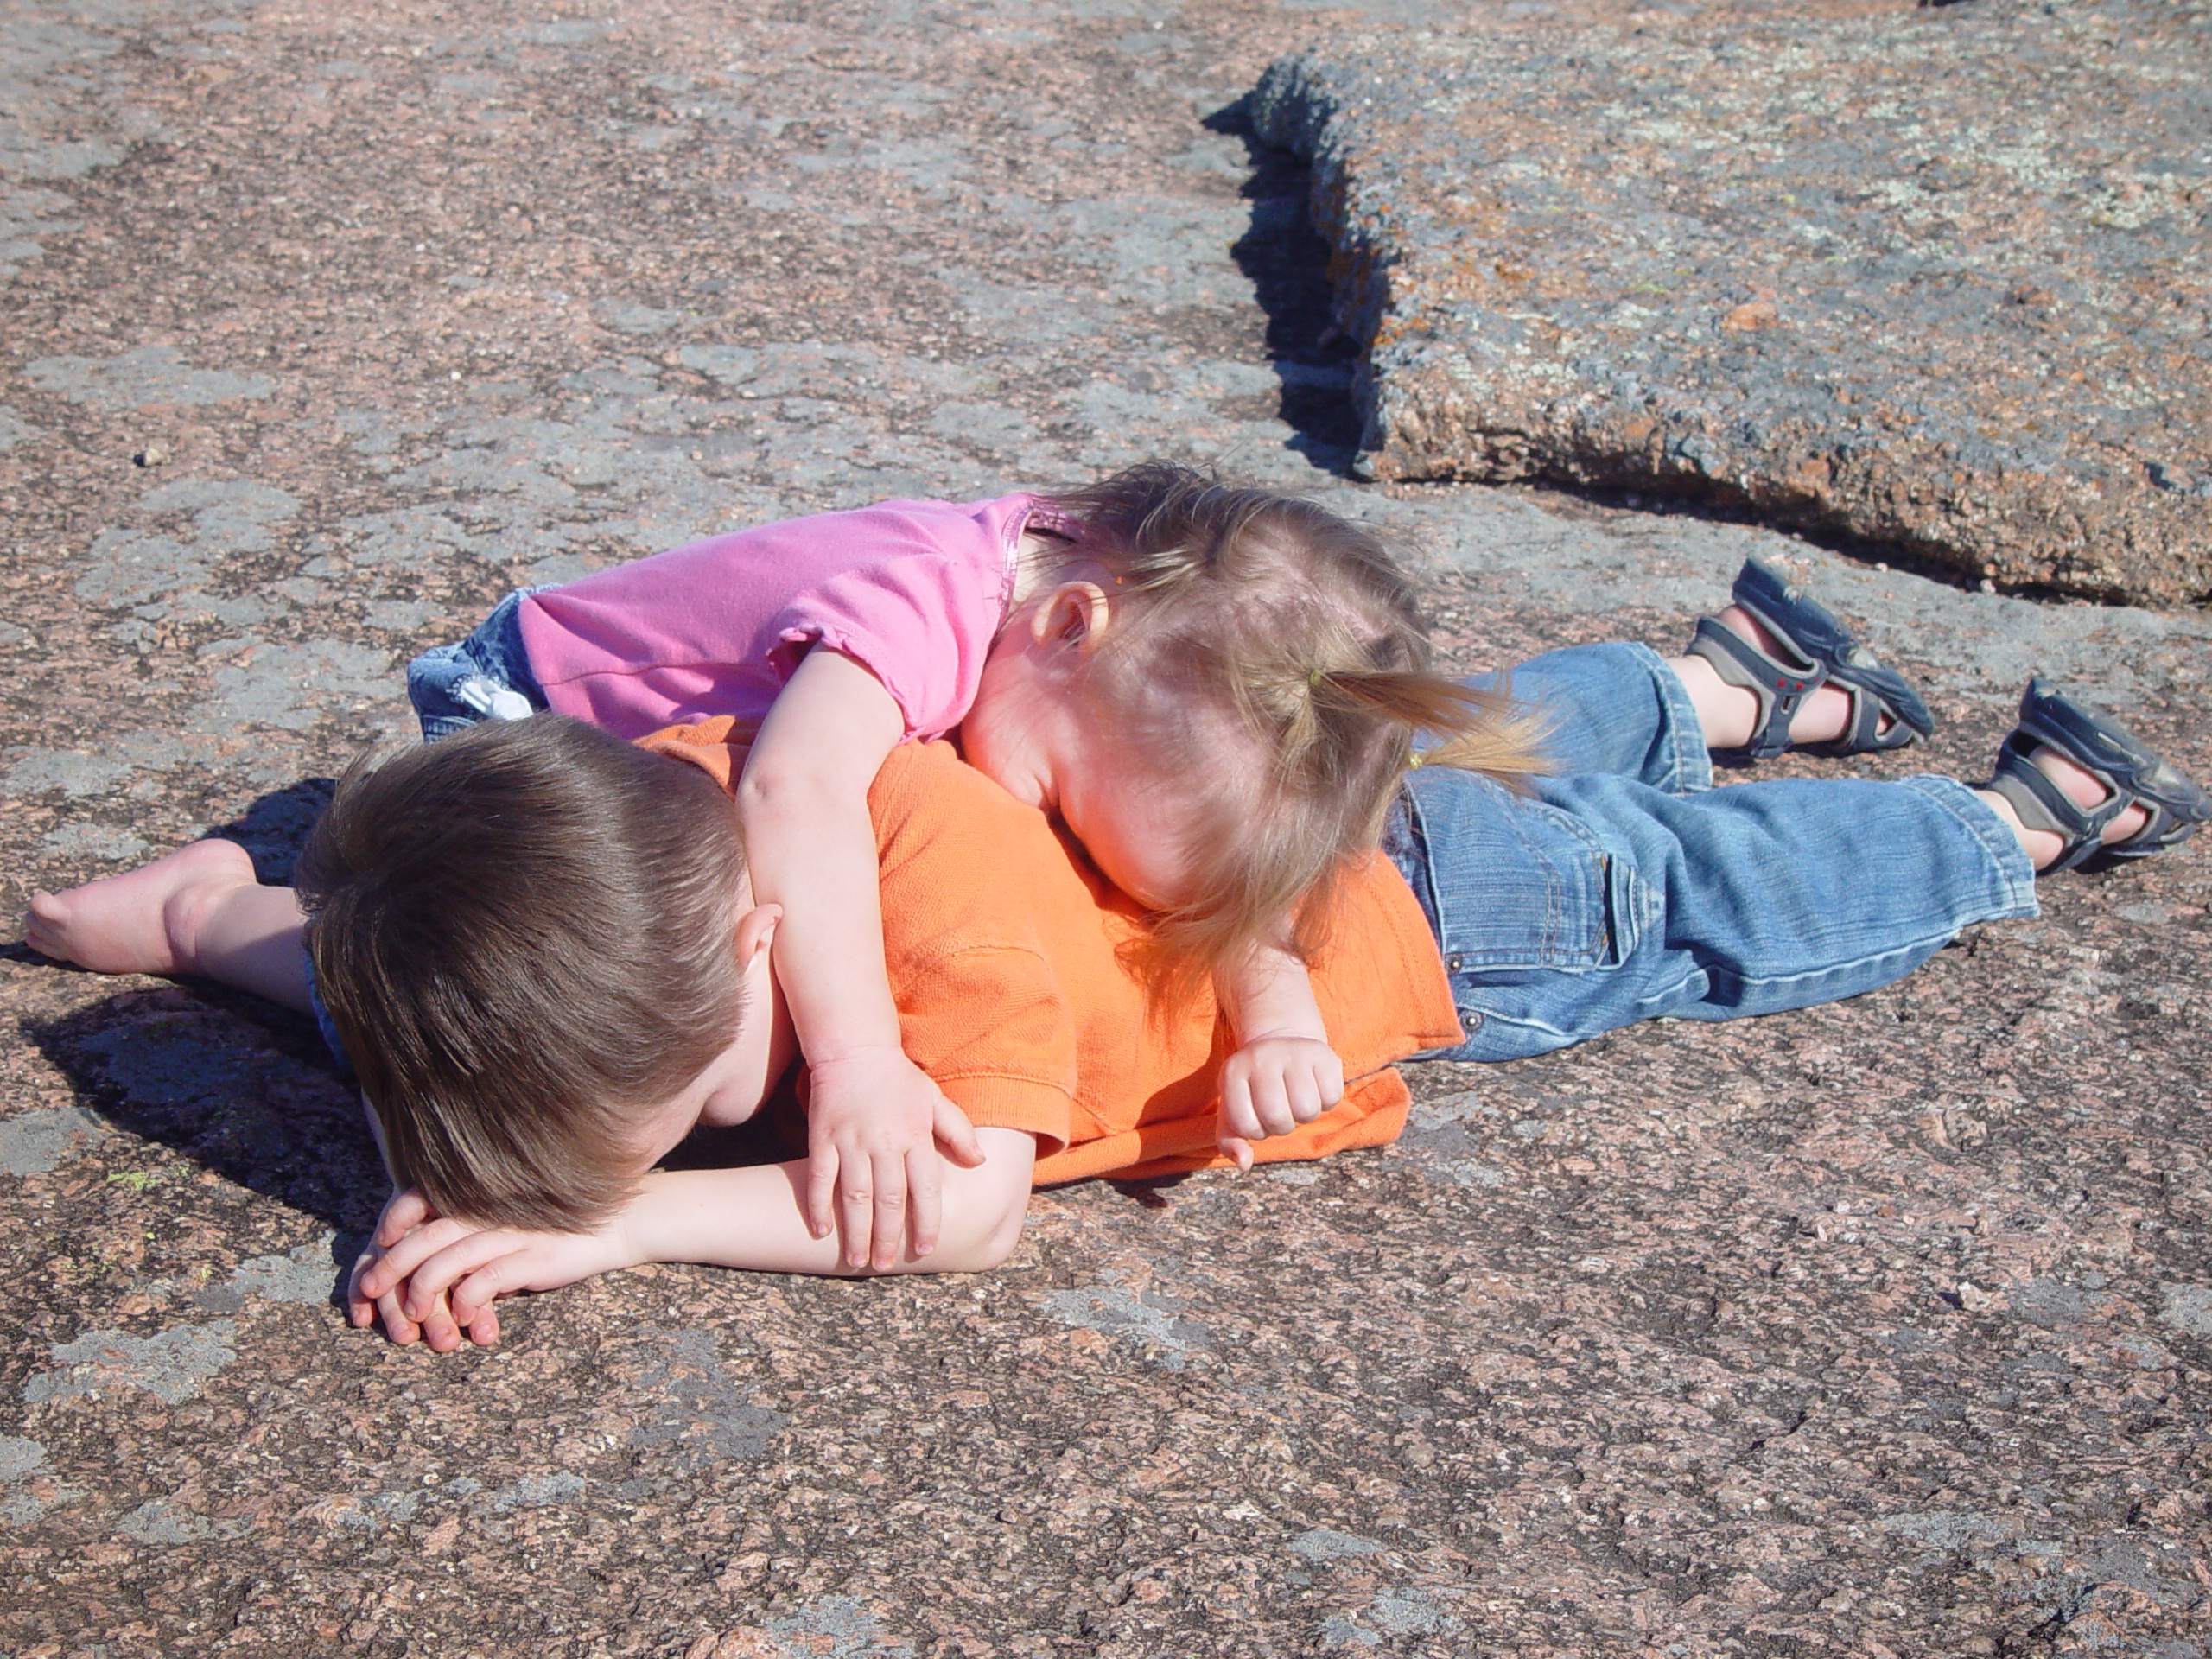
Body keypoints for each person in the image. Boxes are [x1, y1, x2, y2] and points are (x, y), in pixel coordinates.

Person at [26, 559, 2206, 1352]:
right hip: (1289, 825)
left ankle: (1996, 819)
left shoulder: (950, 914)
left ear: (771, 939)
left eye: (687, 1096)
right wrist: (143, 920)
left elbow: (962, 1211)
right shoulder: (630, 839)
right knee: (1404, 733)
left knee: (1666, 886)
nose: (614, 1148)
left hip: (1422, 938)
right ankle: (1733, 679)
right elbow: (294, 939)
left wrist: (614, 1228)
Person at [391, 463, 1538, 1270]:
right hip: (526, 727)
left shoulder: (1102, 629)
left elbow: (1230, 838)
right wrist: (857, 1060)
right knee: (543, 1010)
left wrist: (1273, 995)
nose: (1055, 853)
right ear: (1070, 628)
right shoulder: (922, 603)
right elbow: (799, 790)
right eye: (1065, 811)